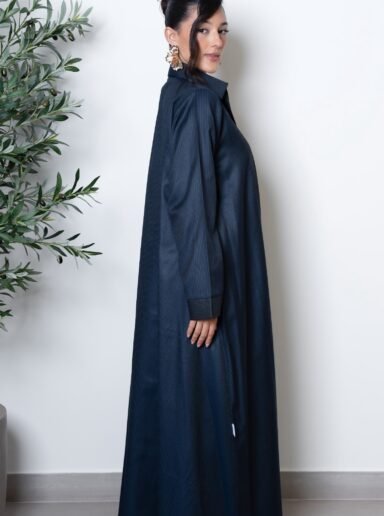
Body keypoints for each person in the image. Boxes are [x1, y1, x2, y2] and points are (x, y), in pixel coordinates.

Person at [117, 0, 283, 515]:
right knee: (209, 412)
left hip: (190, 280)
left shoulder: (183, 93)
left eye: (222, 30)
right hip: (203, 288)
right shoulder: (196, 102)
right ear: (172, 35)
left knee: (189, 412)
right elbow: (189, 202)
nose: (215, 42)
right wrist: (206, 300)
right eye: (203, 29)